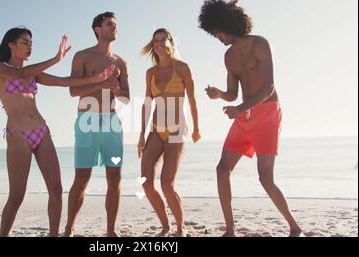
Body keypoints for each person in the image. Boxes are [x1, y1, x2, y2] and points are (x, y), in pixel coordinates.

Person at [0, 27, 114, 237]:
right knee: (17, 196)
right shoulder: (1, 69)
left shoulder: (34, 73)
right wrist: (56, 58)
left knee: (56, 190)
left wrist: (95, 80)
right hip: (18, 136)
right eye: (25, 42)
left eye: (31, 43)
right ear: (11, 45)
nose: (29, 46)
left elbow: (63, 82)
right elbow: (20, 73)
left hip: (42, 133)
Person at [198, 0, 303, 237]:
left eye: (217, 30)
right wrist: (219, 95)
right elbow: (233, 93)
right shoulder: (228, 56)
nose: (216, 36)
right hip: (244, 115)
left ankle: (294, 227)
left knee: (265, 177)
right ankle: (230, 230)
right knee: (222, 169)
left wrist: (239, 108)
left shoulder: (260, 44)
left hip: (267, 113)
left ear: (226, 23)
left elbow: (268, 87)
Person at [64, 12, 130, 237]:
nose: (114, 28)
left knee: (115, 178)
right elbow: (73, 90)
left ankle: (111, 231)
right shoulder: (83, 56)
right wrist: (99, 83)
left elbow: (126, 98)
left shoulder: (121, 62)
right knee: (82, 178)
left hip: (112, 123)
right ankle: (69, 228)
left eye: (115, 25)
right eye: (109, 24)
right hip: (87, 121)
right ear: (97, 29)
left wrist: (117, 90)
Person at [138, 28, 201, 237]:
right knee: (146, 182)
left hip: (176, 131)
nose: (158, 43)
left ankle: (181, 227)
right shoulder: (151, 73)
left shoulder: (182, 68)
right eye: (155, 40)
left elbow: (192, 99)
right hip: (156, 131)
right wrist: (141, 134)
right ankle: (165, 225)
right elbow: (147, 103)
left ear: (170, 42)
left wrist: (197, 128)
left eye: (163, 39)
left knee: (167, 184)